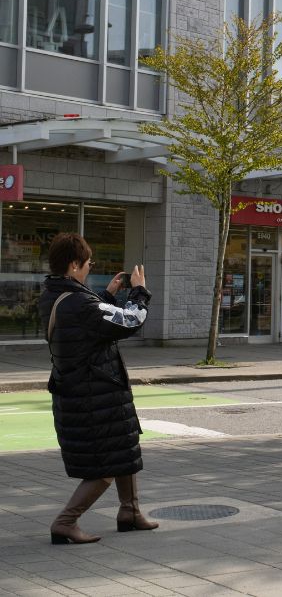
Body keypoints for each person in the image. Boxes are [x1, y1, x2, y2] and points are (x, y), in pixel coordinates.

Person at [37, 233, 157, 545]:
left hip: (86, 391)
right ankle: (66, 522)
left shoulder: (55, 295)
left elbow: (89, 327)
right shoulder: (80, 303)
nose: (90, 268)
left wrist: (106, 294)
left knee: (124, 449)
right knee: (104, 466)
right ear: (74, 264)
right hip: (93, 395)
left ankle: (130, 512)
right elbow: (131, 320)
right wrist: (139, 291)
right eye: (88, 263)